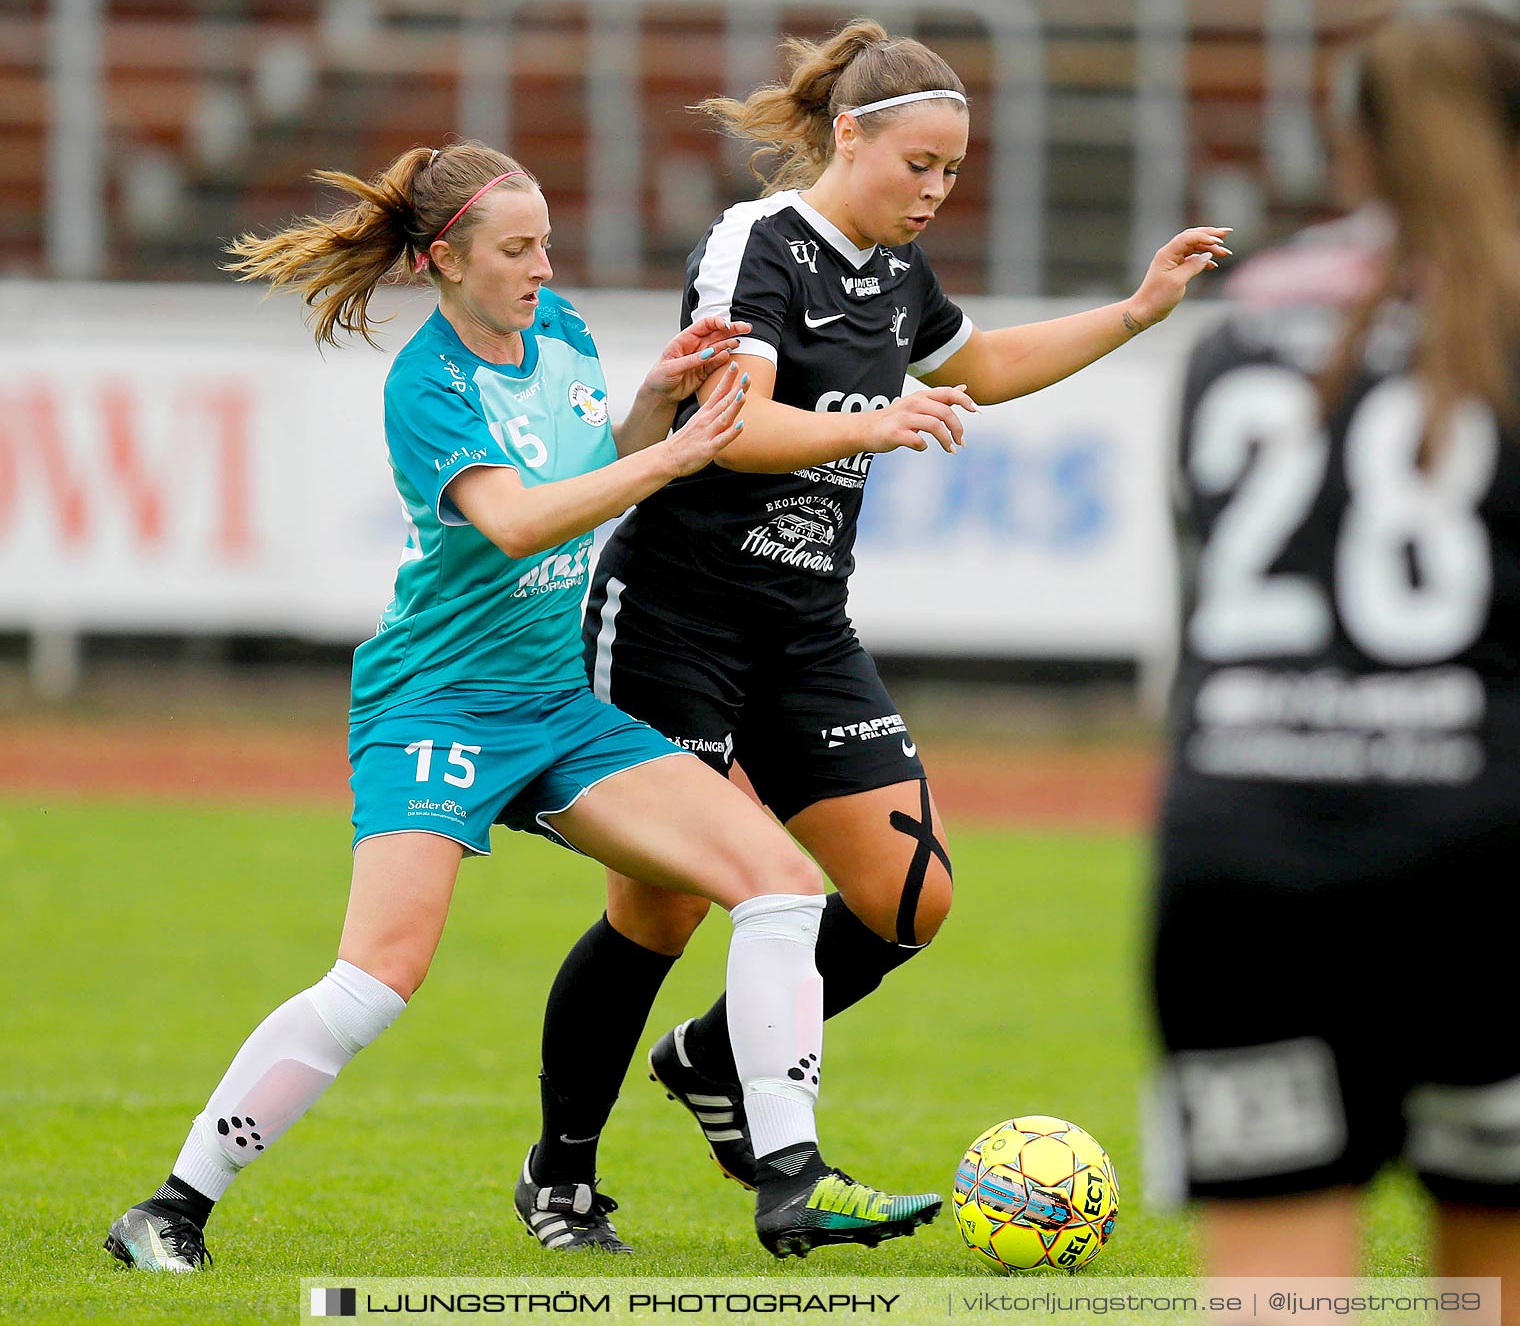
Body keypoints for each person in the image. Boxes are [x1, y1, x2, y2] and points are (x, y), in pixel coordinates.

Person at [102, 140, 940, 1272]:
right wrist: (681, 453)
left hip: (553, 703)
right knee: (374, 982)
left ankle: (792, 1183)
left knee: (782, 884)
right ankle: (172, 1205)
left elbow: (596, 456)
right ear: (446, 260)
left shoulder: (566, 340)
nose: (543, 265)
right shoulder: (428, 383)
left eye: (546, 241)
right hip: (435, 704)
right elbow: (519, 520)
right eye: (517, 248)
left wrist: (652, 399)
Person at [520, 17, 1232, 1234]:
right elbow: (723, 425)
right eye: (921, 165)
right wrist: (873, 423)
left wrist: (1136, 310)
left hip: (803, 628)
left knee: (910, 896)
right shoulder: (759, 243)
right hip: (676, 619)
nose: (937, 192)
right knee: (663, 907)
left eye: (955, 172)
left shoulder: (898, 276)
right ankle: (563, 1171)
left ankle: (715, 1063)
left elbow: (982, 364)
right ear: (848, 135)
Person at [1146, 3, 1520, 1325]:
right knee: (1500, 1301)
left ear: (1347, 147)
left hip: (1237, 864)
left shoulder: (1239, 322)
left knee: (1272, 1301)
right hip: (1478, 873)